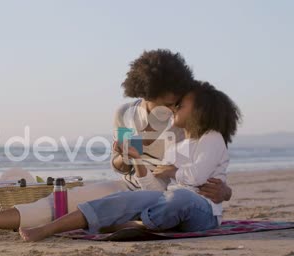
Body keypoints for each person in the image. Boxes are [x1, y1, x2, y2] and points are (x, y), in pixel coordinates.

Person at [0, 49, 232, 233]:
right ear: (145, 95)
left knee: (96, 205)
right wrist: (126, 156)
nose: (172, 107)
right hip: (135, 184)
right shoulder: (125, 116)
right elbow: (119, 164)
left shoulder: (184, 119)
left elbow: (208, 161)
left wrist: (225, 191)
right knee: (67, 200)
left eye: (176, 102)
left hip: (175, 196)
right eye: (166, 102)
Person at [19, 81, 242, 241]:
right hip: (168, 204)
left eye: (180, 105)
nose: (174, 108)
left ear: (200, 112)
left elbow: (197, 177)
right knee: (126, 198)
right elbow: (153, 185)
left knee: (179, 196)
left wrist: (172, 171)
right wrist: (136, 161)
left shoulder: (212, 138)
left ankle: (132, 222)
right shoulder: (169, 142)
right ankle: (49, 229)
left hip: (202, 211)